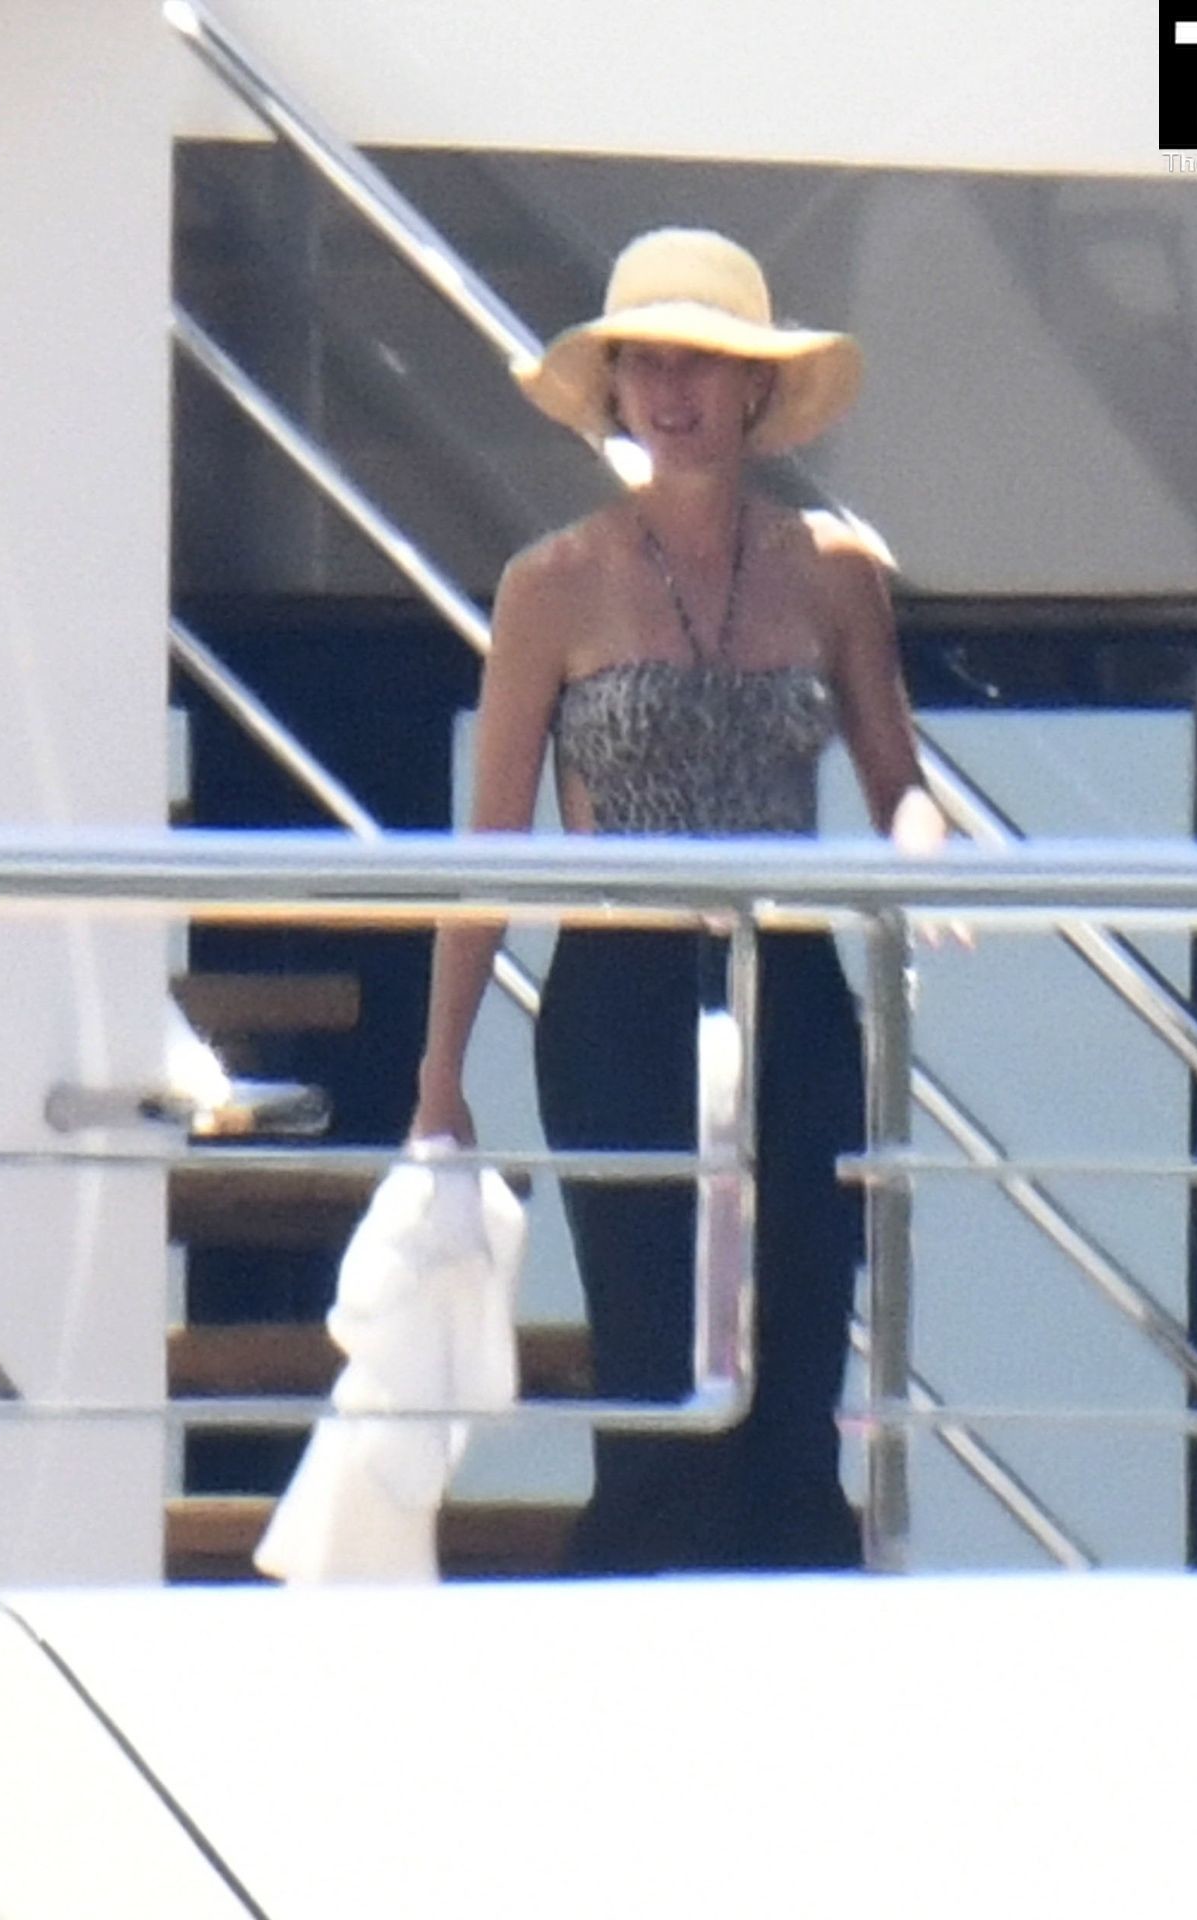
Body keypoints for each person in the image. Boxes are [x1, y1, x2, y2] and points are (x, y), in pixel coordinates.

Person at [410, 227, 944, 1574]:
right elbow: (494, 841)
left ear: (755, 386)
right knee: (659, 1373)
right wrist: (439, 1075)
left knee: (799, 1355)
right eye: (644, 361)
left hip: (794, 994)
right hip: (621, 1002)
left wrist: (925, 857)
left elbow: (897, 782)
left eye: (698, 361)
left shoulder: (833, 571)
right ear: (612, 387)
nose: (669, 389)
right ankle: (631, 1638)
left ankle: (799, 1631)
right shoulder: (550, 585)